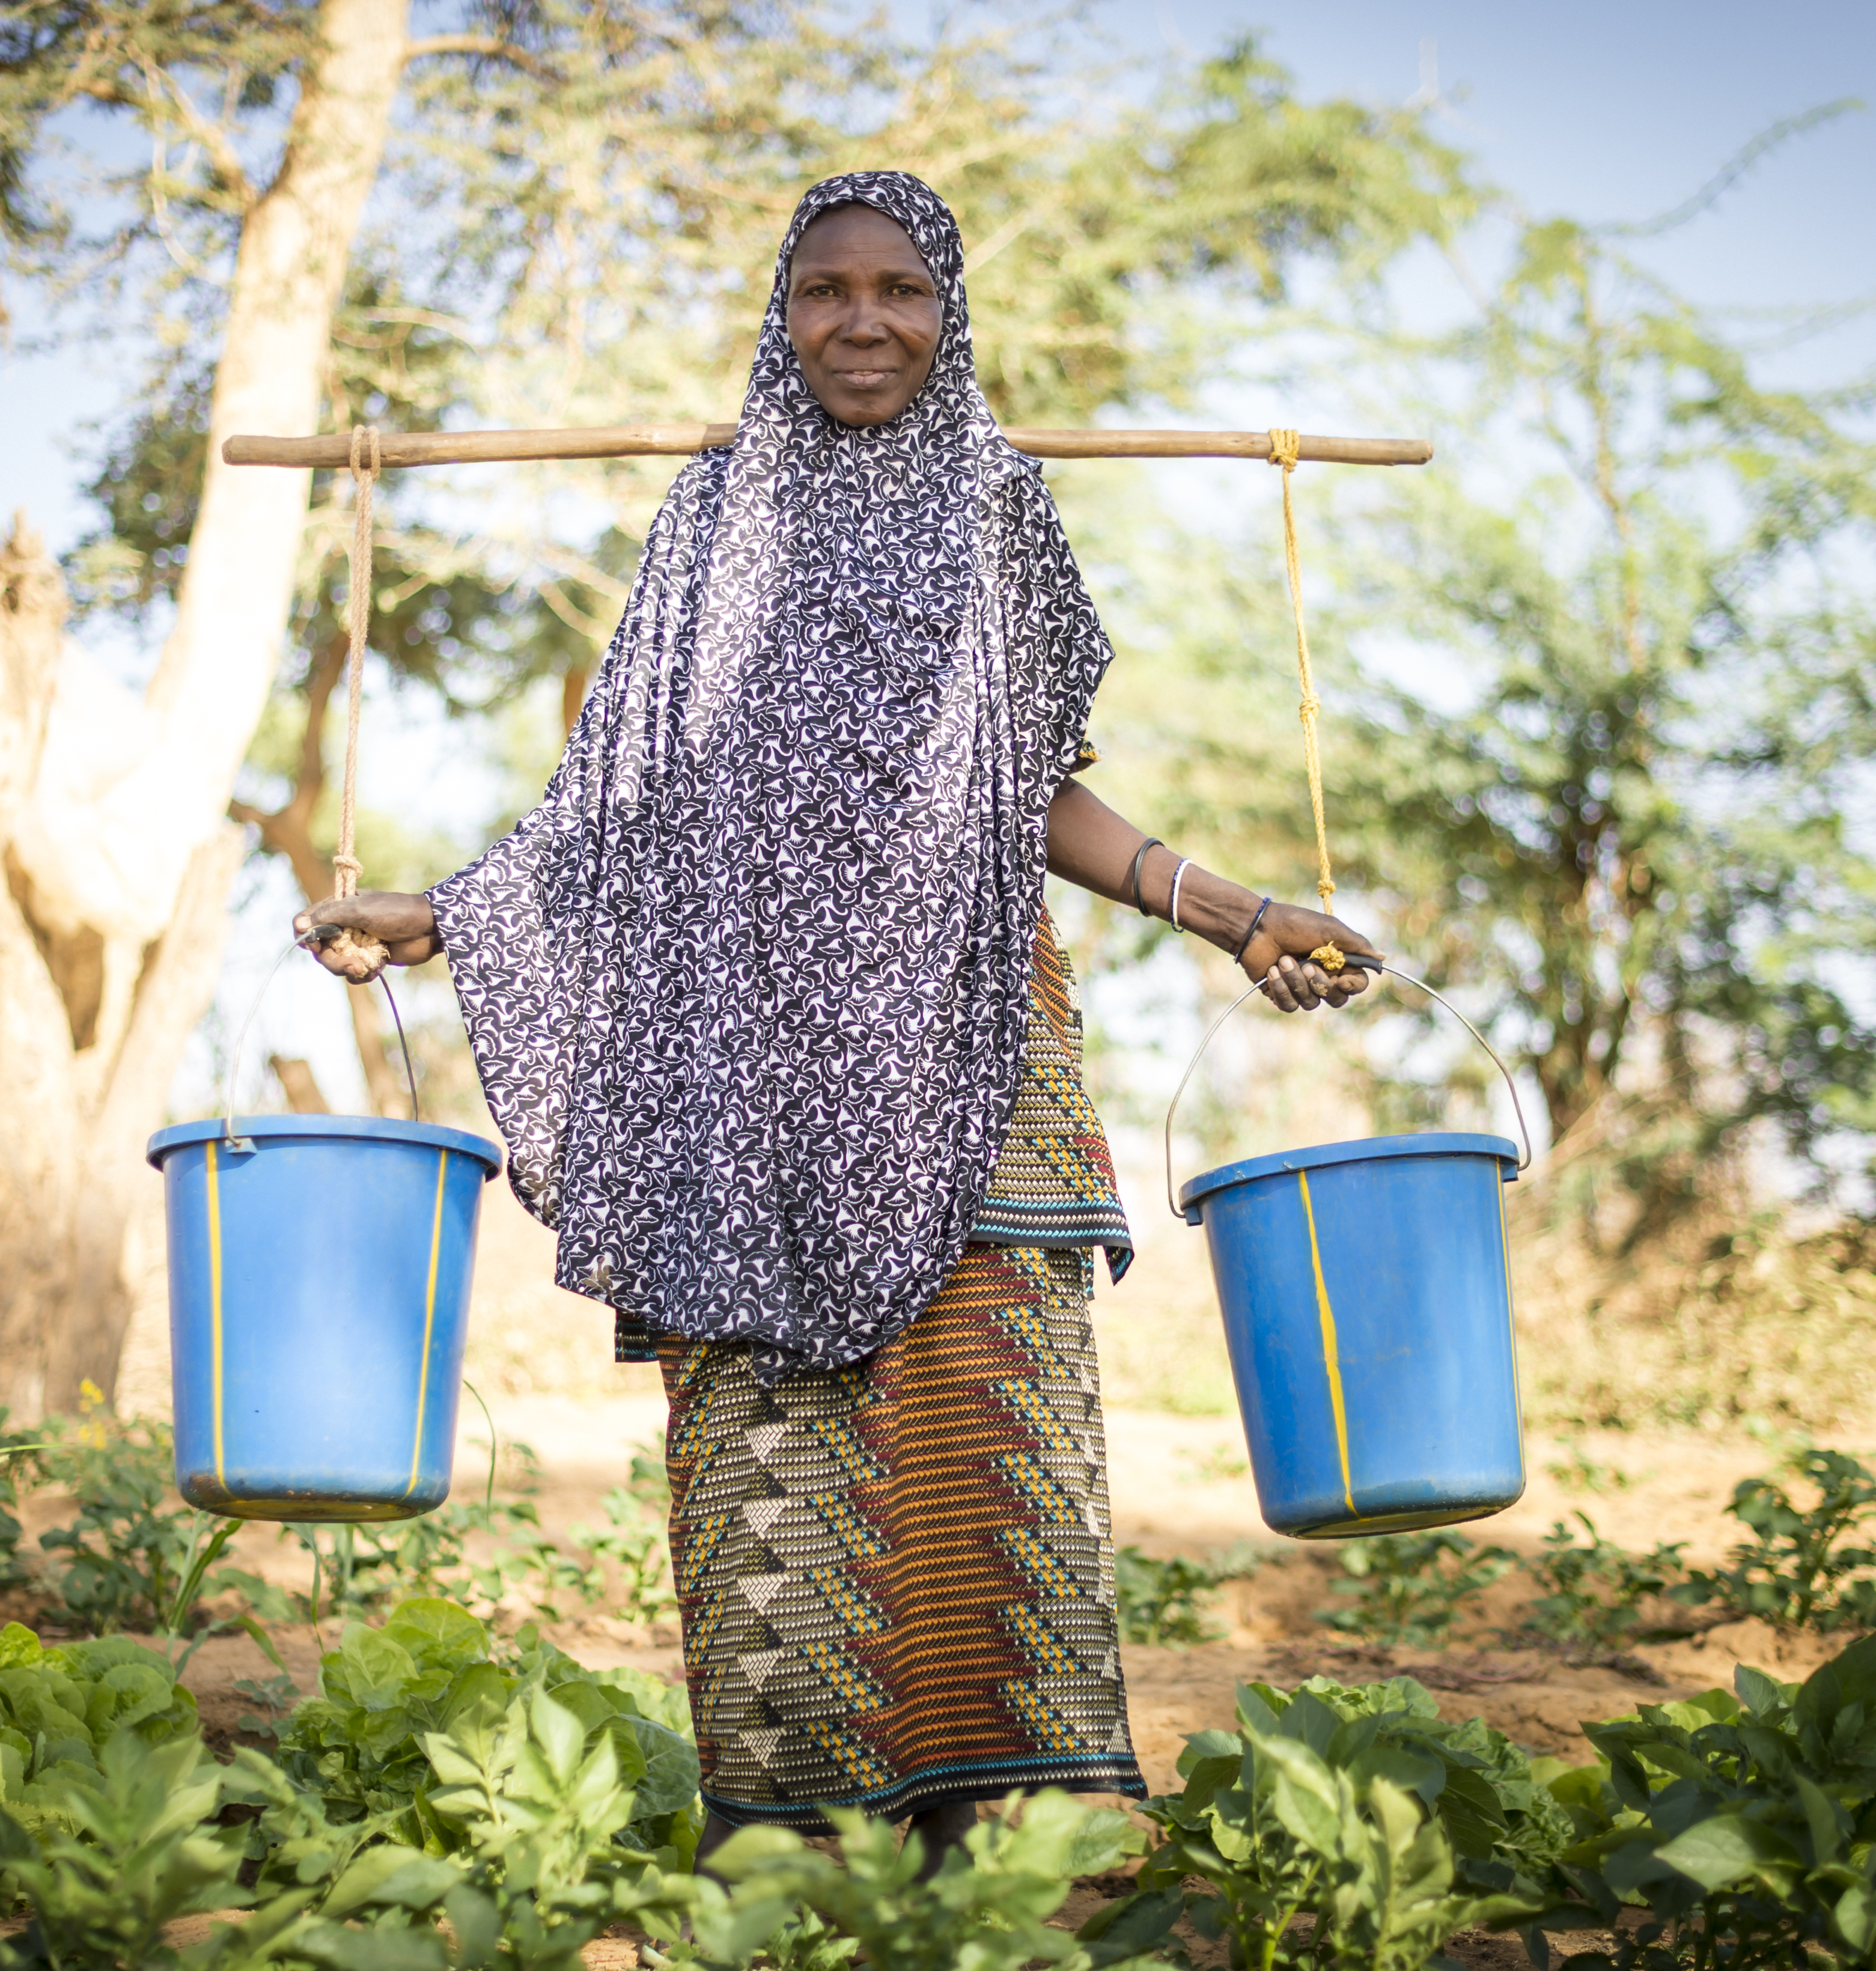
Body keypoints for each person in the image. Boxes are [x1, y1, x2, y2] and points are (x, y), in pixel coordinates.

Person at [293, 171, 1378, 1869]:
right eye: (825, 291)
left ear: (951, 318)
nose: (862, 322)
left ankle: (1015, 1857)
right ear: (779, 315)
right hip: (740, 1066)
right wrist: (440, 914)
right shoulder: (712, 516)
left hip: (972, 1045)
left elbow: (1039, 793)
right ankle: (797, 1871)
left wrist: (1235, 914)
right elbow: (623, 800)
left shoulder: (998, 508)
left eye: (901, 291)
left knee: (992, 1439)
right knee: (768, 1469)